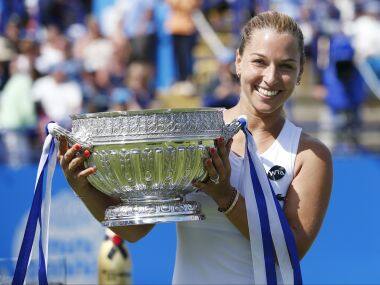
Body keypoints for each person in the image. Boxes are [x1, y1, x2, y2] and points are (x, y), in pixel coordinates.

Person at [58, 11, 333, 284]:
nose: (271, 77)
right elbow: (134, 231)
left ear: (300, 72)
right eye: (259, 62)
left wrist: (227, 198)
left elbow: (291, 251)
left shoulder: (310, 155)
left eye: (285, 66)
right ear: (238, 62)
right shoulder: (194, 135)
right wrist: (84, 188)